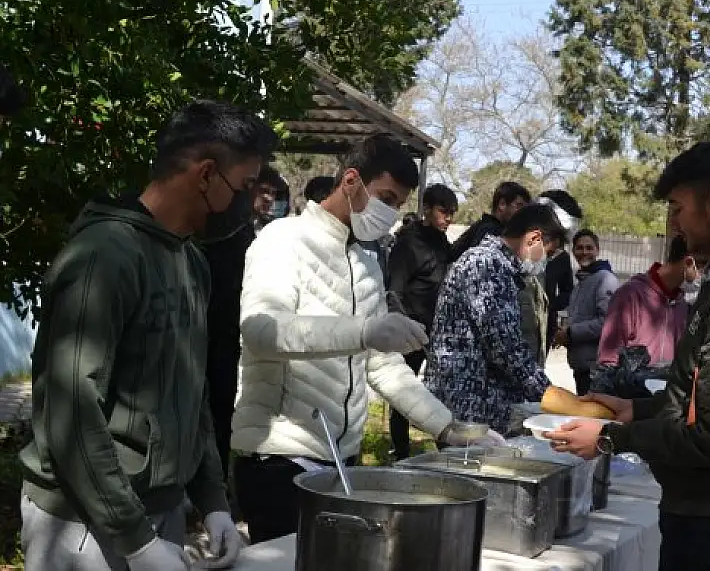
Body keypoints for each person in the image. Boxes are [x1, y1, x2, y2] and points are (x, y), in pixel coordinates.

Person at [18, 101, 272, 571]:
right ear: (206, 174)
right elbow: (71, 410)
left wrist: (214, 501)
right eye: (247, 185)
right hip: (82, 526)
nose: (252, 199)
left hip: (158, 512)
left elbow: (190, 393)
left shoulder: (190, 261)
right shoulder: (102, 259)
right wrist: (135, 541)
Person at [549, 141, 710, 571]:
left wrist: (611, 438)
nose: (675, 226)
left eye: (678, 208)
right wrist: (635, 409)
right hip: (702, 507)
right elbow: (699, 397)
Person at [231, 135, 483, 544]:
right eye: (385, 197)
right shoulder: (282, 240)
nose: (390, 212)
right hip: (279, 459)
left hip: (342, 459)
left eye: (398, 204)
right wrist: (363, 331)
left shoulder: (365, 260)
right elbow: (262, 331)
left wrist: (445, 427)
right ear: (351, 181)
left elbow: (380, 365)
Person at [424, 203, 564, 432]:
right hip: (468, 409)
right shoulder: (486, 265)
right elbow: (505, 348)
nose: (545, 261)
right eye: (548, 253)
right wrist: (552, 396)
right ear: (534, 239)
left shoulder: (502, 268)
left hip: (481, 407)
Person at [200, 163, 285, 485]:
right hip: (212, 334)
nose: (268, 200)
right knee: (211, 412)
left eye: (273, 195)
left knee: (225, 415)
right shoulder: (220, 232)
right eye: (261, 191)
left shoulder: (250, 230)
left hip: (238, 337)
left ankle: (217, 484)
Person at [386, 183, 458, 459]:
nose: (448, 218)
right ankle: (401, 453)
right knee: (403, 393)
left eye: (452, 212)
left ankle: (446, 447)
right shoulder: (408, 243)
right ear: (427, 209)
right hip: (410, 330)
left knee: (440, 392)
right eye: (443, 211)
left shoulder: (443, 243)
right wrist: (405, 326)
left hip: (437, 332)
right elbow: (394, 290)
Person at [596, 235, 696, 368]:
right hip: (629, 386)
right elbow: (608, 357)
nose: (705, 275)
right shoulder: (630, 296)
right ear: (689, 263)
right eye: (704, 268)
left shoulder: (681, 305)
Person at [555, 229, 620, 395]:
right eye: (579, 248)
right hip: (581, 366)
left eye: (589, 248)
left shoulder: (605, 279)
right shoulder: (582, 282)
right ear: (573, 251)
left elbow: (607, 323)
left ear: (597, 250)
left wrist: (570, 333)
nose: (584, 252)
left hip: (597, 369)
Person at [538, 189, 583, 352]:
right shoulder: (508, 256)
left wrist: (547, 306)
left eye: (562, 239)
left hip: (545, 327)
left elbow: (567, 291)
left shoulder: (560, 257)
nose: (556, 246)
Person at [449, 181, 532, 261]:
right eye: (519, 206)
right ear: (502, 204)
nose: (523, 213)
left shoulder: (486, 226)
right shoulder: (489, 231)